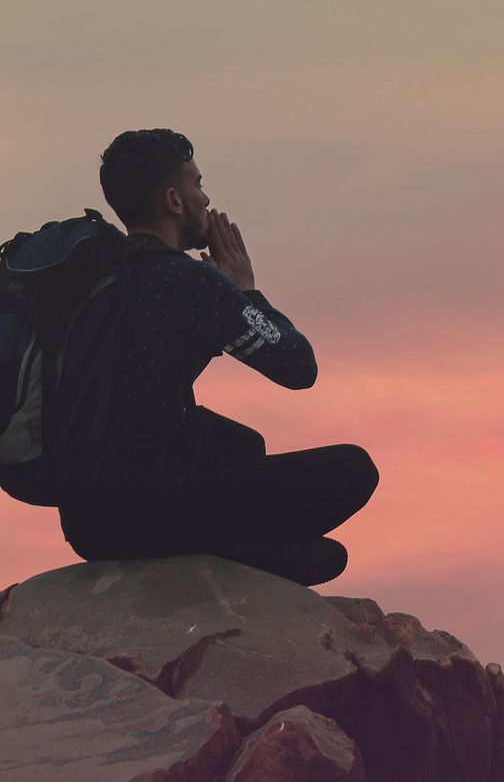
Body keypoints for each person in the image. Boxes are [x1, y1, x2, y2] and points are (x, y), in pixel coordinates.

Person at [58, 128, 379, 586]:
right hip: (151, 507)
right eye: (198, 185)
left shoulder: (104, 277)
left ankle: (226, 547)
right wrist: (245, 292)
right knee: (353, 470)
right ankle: (217, 550)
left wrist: (214, 322)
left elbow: (143, 377)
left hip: (89, 521)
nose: (206, 200)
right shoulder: (188, 281)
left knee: (238, 443)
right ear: (174, 200)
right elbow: (298, 366)